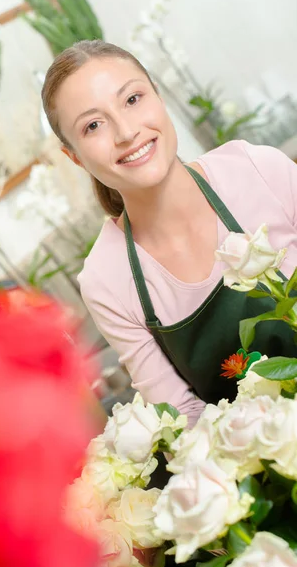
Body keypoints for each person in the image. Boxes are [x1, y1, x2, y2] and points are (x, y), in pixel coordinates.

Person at [41, 39, 297, 427]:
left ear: (158, 95)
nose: (126, 132)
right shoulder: (107, 281)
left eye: (132, 99)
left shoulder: (257, 170)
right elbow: (186, 421)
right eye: (93, 125)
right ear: (74, 156)